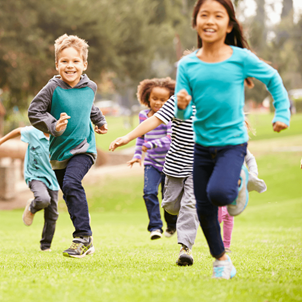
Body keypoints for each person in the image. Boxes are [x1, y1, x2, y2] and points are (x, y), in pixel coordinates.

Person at [175, 0, 290, 279]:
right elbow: (184, 115)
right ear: (195, 22)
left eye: (218, 15)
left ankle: (239, 180)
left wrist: (282, 112)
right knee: (203, 208)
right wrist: (182, 105)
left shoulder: (240, 57)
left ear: (229, 25)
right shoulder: (187, 65)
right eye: (204, 15)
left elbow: (273, 79)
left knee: (219, 195)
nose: (210, 21)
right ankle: (221, 259)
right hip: (202, 144)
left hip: (232, 143)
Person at [28, 34, 108, 258]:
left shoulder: (90, 86)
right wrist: (54, 125)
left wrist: (99, 121)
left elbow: (89, 106)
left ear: (84, 64)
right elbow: (34, 112)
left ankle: (82, 237)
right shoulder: (52, 88)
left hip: (84, 149)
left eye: (75, 61)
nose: (70, 65)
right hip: (58, 152)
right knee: (70, 194)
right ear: (57, 64)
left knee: (73, 183)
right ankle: (86, 239)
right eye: (64, 61)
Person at [109, 95, 199, 266]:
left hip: (199, 164)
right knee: (171, 205)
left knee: (190, 204)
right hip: (174, 164)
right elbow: (154, 120)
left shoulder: (212, 101)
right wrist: (127, 137)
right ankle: (187, 213)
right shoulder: (178, 100)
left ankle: (185, 249)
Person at [126, 77, 177, 240]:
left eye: (164, 100)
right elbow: (141, 138)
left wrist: (151, 145)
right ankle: (155, 227)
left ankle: (172, 225)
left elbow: (171, 139)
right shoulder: (143, 116)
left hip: (170, 163)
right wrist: (137, 155)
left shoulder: (170, 117)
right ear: (147, 97)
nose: (159, 103)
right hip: (152, 163)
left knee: (168, 198)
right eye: (155, 98)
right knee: (149, 192)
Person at [0, 126, 59, 252]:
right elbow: (17, 131)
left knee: (52, 214)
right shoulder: (34, 132)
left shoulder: (59, 137)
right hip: (35, 175)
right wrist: (1, 141)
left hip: (53, 179)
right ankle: (32, 207)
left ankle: (45, 246)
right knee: (43, 199)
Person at [219, 118, 267, 252]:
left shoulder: (242, 147)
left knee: (229, 215)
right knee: (219, 215)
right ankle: (215, 240)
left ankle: (226, 246)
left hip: (235, 185)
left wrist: (254, 174)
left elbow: (250, 159)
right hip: (219, 184)